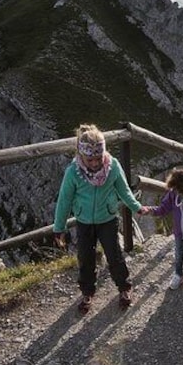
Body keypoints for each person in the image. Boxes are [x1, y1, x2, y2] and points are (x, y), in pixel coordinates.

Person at [53, 123, 143, 314]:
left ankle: (124, 288)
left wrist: (137, 207)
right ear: (81, 155)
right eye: (90, 159)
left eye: (98, 158)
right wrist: (59, 228)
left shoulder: (113, 166)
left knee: (114, 255)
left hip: (108, 218)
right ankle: (87, 292)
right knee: (85, 257)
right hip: (84, 221)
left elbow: (124, 190)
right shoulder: (73, 173)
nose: (95, 163)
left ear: (104, 153)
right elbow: (64, 200)